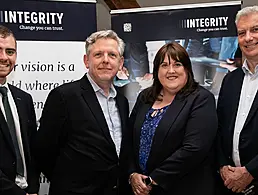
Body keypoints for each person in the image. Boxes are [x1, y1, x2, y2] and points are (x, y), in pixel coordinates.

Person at [33, 30, 130, 195]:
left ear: (120, 63)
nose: (105, 60)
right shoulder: (64, 96)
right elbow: (43, 152)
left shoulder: (122, 102)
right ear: (87, 61)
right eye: (98, 54)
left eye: (112, 55)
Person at [128, 42, 218, 195]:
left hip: (184, 188)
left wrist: (153, 179)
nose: (171, 71)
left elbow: (194, 149)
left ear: (187, 69)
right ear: (156, 70)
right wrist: (132, 175)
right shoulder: (145, 97)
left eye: (177, 64)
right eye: (164, 65)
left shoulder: (201, 99)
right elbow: (129, 139)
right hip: (141, 189)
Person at [217, 5, 258, 194]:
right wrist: (222, 166)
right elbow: (219, 129)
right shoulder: (230, 80)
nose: (248, 37)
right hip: (230, 186)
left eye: (255, 30)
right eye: (242, 33)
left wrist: (251, 171)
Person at [0, 25, 39, 195]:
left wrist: (33, 189)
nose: (4, 57)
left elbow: (33, 151)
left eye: (10, 51)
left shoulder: (24, 99)